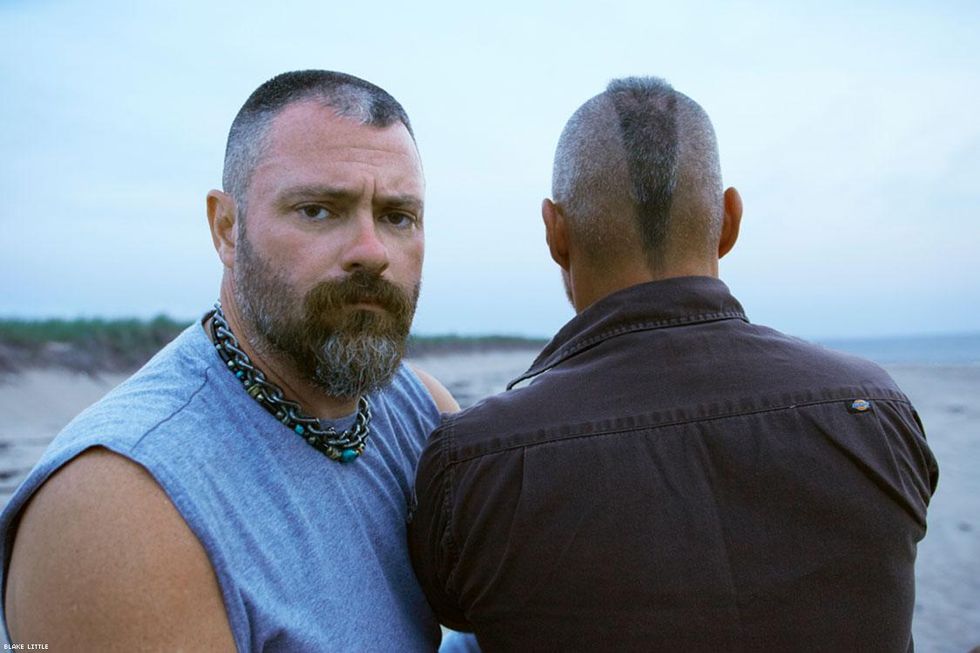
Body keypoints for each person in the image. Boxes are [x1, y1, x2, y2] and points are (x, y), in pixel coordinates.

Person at [408, 77, 939, 652]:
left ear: (556, 233)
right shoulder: (877, 410)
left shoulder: (476, 461)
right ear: (729, 221)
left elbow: (449, 607)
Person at [1, 70, 460, 651]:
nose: (372, 252)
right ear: (226, 228)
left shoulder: (422, 416)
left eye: (397, 216)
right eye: (318, 210)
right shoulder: (117, 506)